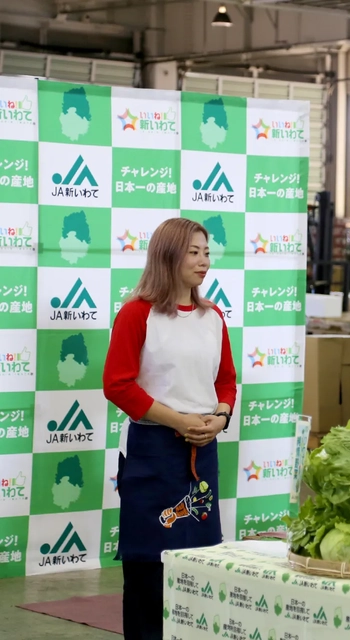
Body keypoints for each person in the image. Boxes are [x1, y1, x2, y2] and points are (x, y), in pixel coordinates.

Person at [103, 217, 236, 640]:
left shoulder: (213, 315)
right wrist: (178, 420)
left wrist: (220, 417)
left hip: (202, 453)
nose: (203, 261)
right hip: (152, 453)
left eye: (207, 252)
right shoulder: (136, 313)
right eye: (193, 252)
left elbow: (226, 380)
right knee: (147, 569)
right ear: (167, 255)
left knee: (198, 565)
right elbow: (117, 384)